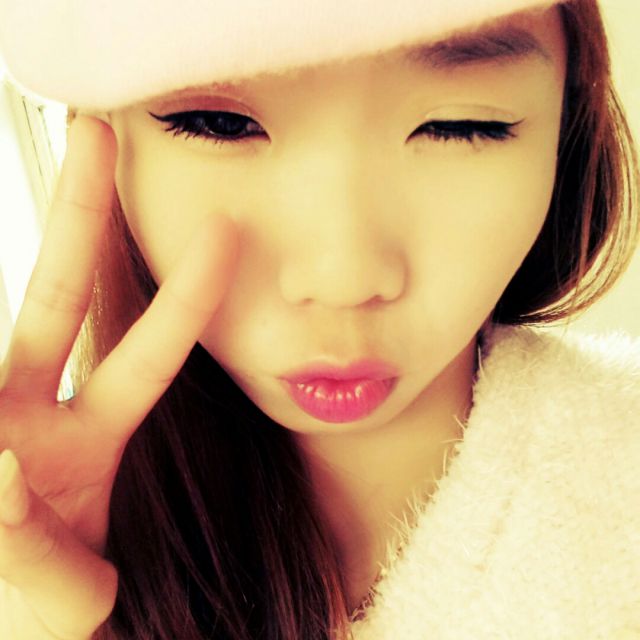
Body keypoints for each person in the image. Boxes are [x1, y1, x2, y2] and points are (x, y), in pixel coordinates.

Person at [0, 0, 639, 638]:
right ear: (101, 128)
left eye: (457, 126)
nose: (342, 282)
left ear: (567, 127)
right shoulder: (45, 533)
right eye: (221, 124)